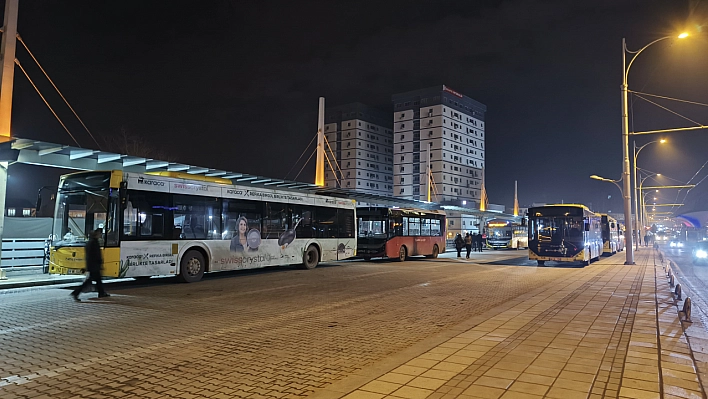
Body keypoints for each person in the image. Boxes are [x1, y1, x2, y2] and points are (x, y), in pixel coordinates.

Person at [71, 229, 109, 301]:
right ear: (96, 234)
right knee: (89, 281)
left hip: (94, 265)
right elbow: (93, 256)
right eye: (99, 234)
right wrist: (97, 264)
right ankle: (76, 292)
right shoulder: (93, 243)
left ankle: (101, 293)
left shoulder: (92, 242)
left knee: (98, 280)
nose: (100, 235)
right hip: (94, 265)